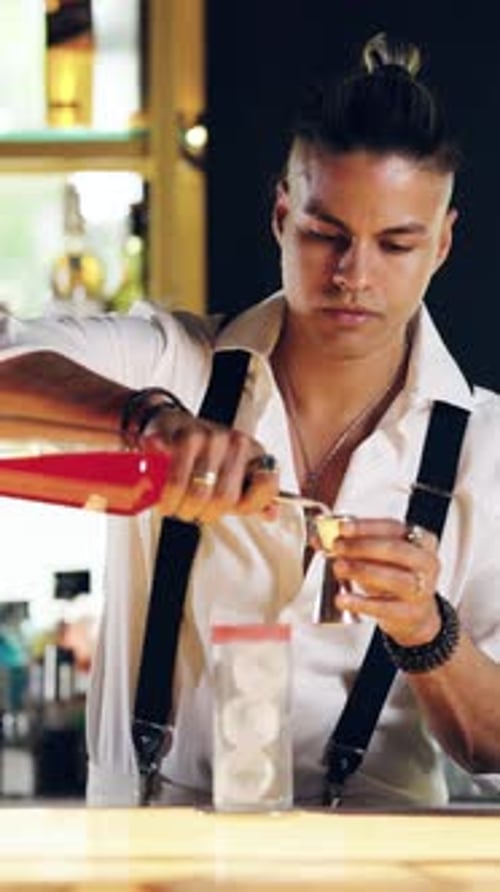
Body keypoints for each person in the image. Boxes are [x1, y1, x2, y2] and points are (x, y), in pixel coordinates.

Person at [0, 31, 500, 809]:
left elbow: (493, 745)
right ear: (279, 214)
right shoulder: (173, 366)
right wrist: (143, 418)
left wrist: (427, 633)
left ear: (442, 244)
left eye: (395, 244)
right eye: (325, 233)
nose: (353, 276)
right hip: (148, 865)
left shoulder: (486, 450)